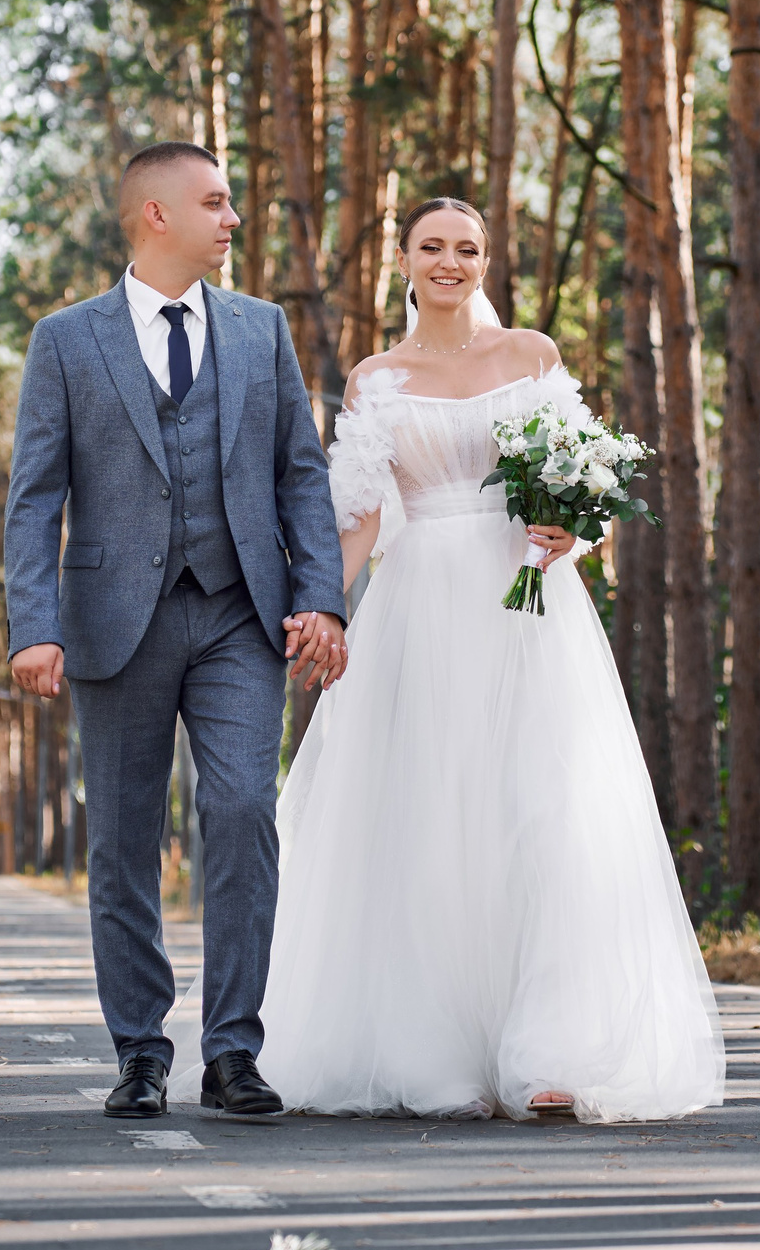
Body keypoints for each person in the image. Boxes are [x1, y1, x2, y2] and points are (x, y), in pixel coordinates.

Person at [246, 196, 725, 1122]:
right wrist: (315, 609)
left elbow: (580, 491)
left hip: (529, 608)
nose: (450, 261)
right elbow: (362, 515)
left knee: (545, 818)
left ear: (486, 258)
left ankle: (551, 1052)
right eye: (432, 246)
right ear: (403, 260)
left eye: (467, 247)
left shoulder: (533, 356)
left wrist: (571, 535)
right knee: (429, 821)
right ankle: (437, 1056)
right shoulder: (376, 378)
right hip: (420, 609)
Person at [3, 141, 348, 1121]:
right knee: (123, 840)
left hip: (241, 612)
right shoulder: (66, 340)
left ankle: (234, 1048)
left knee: (242, 811)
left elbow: (299, 473)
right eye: (215, 202)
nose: (231, 219)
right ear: (156, 215)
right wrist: (34, 625)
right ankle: (141, 1047)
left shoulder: (260, 330)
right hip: (115, 624)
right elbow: (34, 498)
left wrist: (319, 596)